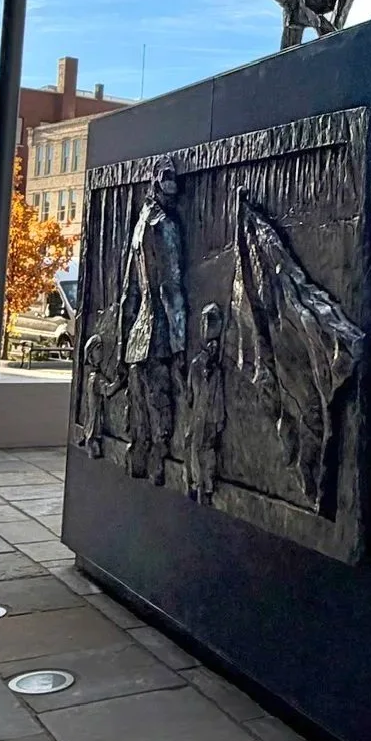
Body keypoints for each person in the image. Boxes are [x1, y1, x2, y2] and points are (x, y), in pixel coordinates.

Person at [116, 156, 186, 485]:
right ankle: (153, 451)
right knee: (153, 395)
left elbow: (132, 288)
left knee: (146, 392)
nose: (173, 193)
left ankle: (150, 451)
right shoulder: (162, 224)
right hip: (153, 325)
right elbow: (171, 287)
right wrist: (180, 341)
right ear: (158, 183)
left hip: (141, 327)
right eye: (168, 183)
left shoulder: (143, 220)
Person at [185, 302, 225, 504]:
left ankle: (203, 487)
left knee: (202, 449)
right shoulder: (198, 365)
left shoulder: (211, 368)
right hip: (202, 416)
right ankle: (198, 485)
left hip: (206, 416)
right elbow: (190, 394)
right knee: (196, 447)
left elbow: (212, 395)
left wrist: (218, 419)